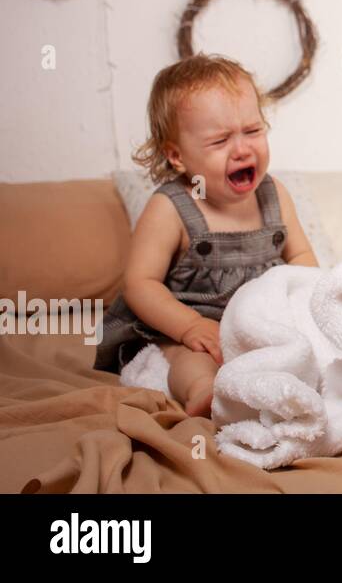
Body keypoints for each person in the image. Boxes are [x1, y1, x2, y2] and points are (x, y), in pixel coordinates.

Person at [94, 54, 318, 417]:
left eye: (253, 130)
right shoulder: (171, 208)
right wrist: (189, 327)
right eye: (220, 140)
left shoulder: (274, 194)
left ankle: (289, 392)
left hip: (259, 324)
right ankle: (204, 394)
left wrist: (305, 307)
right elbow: (140, 284)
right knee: (192, 361)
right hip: (186, 327)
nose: (242, 148)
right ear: (177, 156)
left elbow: (301, 260)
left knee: (308, 354)